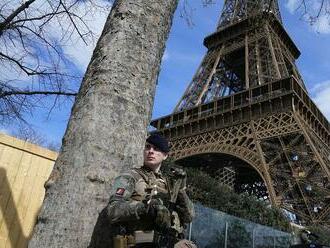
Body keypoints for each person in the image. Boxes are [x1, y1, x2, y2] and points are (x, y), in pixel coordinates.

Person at [106, 134, 196, 248]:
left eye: (156, 149)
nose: (150, 151)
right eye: (148, 147)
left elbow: (189, 217)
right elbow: (112, 211)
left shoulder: (170, 184)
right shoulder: (131, 176)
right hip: (140, 243)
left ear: (165, 156)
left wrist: (181, 190)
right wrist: (144, 208)